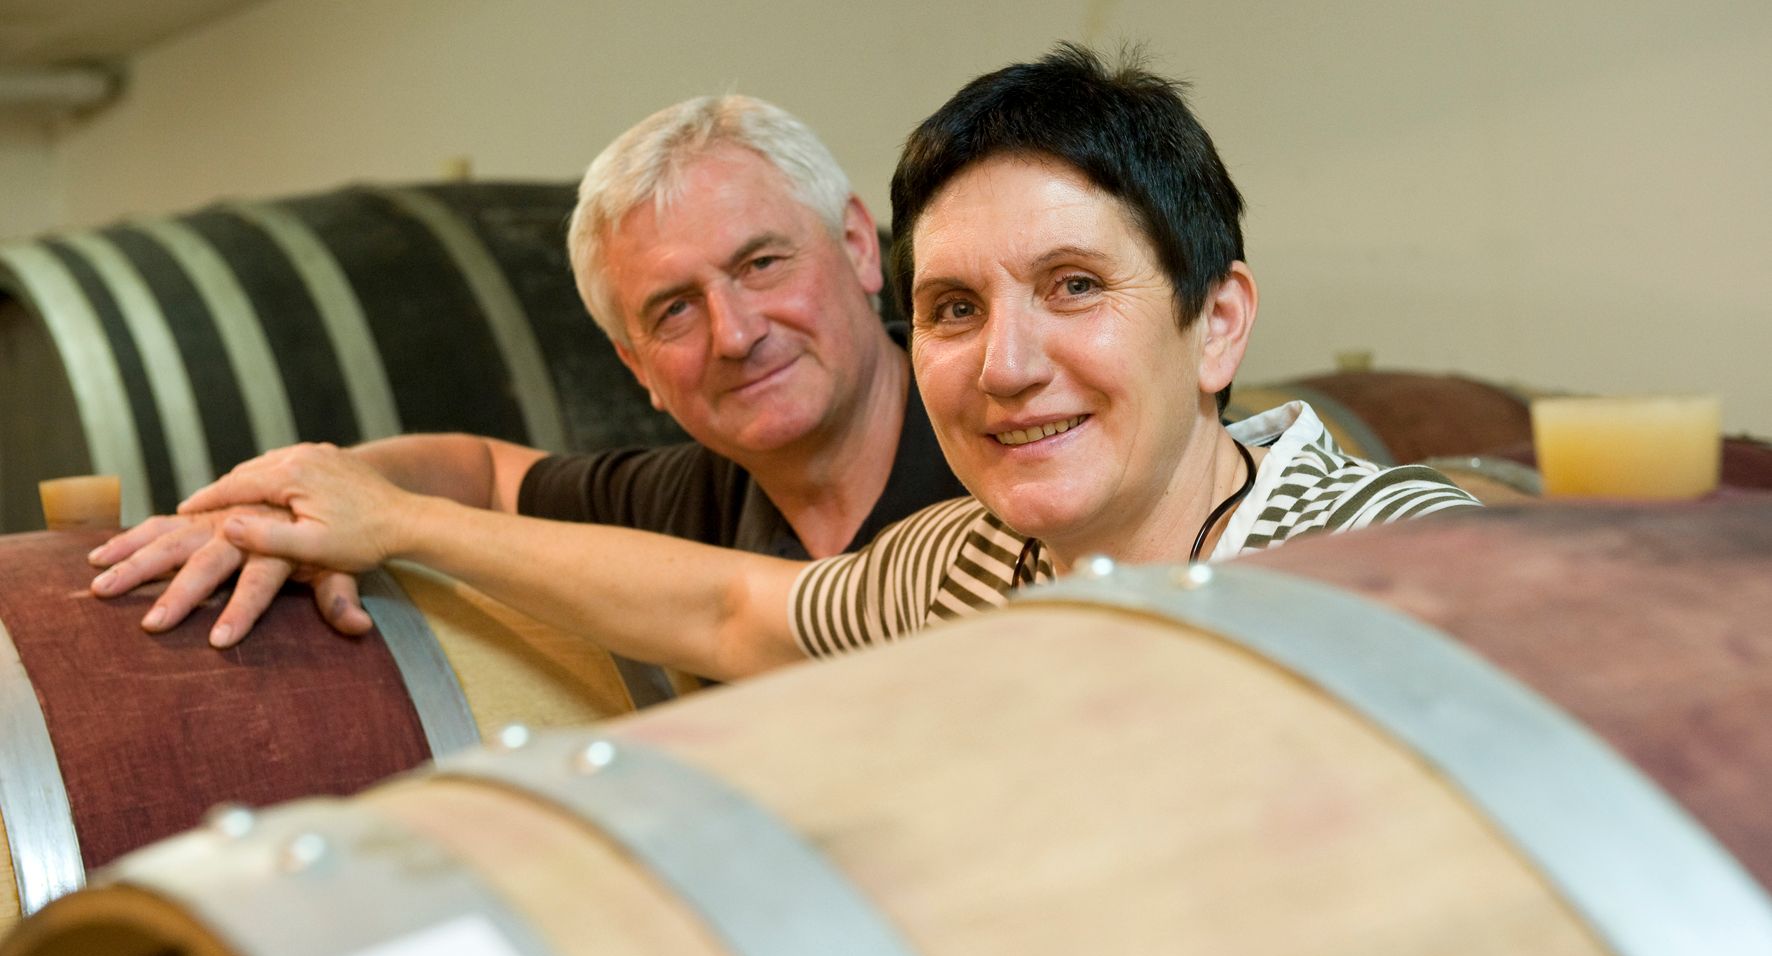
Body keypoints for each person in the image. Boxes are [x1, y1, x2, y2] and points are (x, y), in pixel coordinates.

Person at [110, 44, 1478, 681]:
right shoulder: (964, 563)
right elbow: (731, 612)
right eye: (956, 309)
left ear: (1217, 321)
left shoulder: (1402, 565)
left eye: (1073, 288)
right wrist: (384, 514)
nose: (1007, 365)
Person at [88, 95, 965, 649]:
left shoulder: (997, 446)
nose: (734, 334)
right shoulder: (691, 501)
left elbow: (739, 614)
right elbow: (482, 468)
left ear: (860, 246)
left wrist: (396, 522)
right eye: (674, 310)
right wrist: (305, 496)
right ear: (636, 367)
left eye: (762, 264)